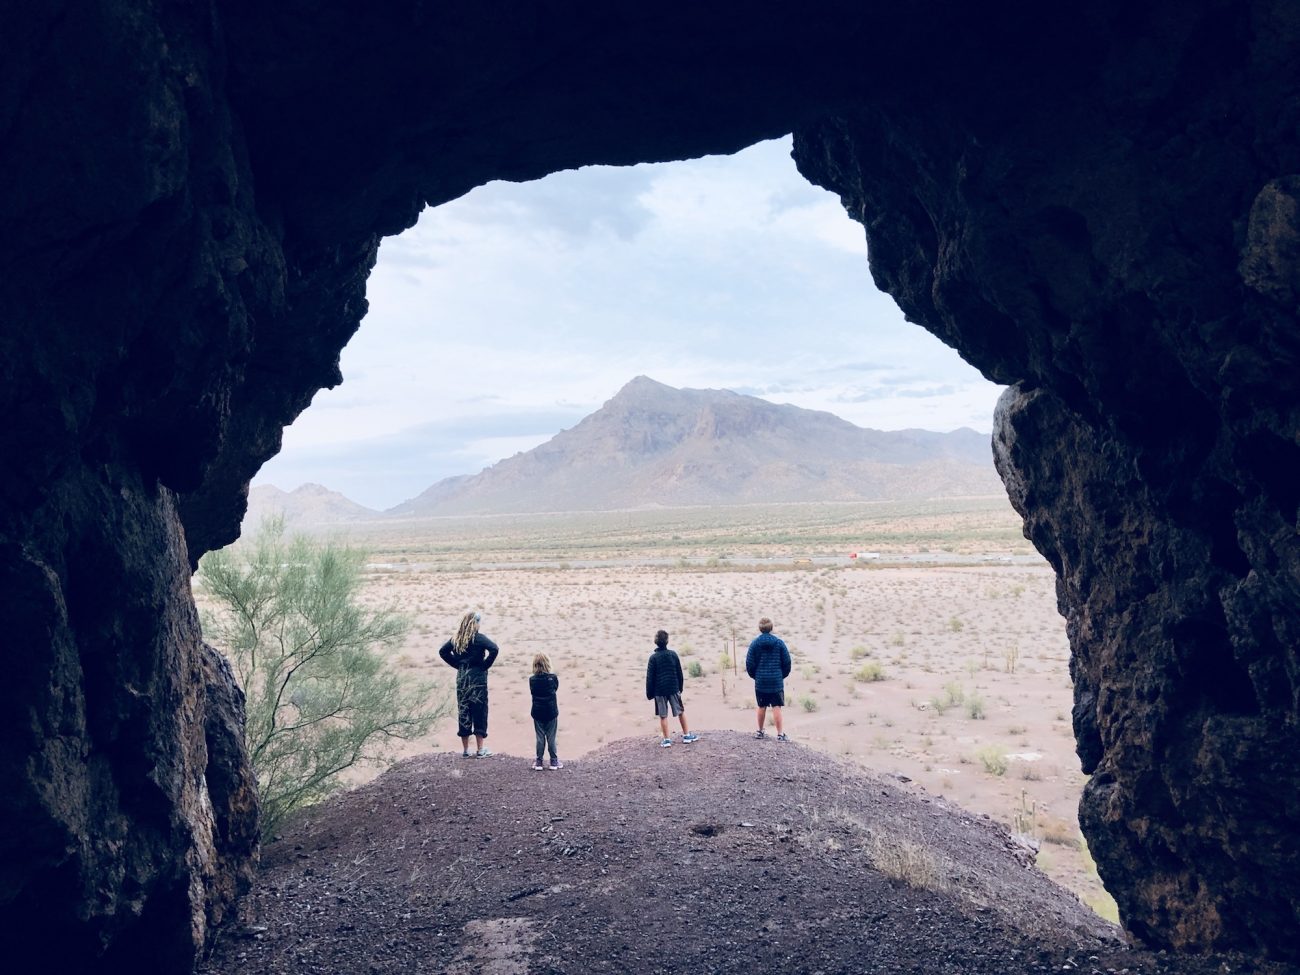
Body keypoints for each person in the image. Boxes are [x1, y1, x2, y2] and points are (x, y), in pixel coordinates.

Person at [438, 611, 499, 758]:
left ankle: (465, 750)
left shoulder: (457, 640)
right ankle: (480, 750)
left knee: (464, 710)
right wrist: (484, 666)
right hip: (478, 678)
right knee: (479, 710)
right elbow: (494, 649)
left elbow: (443, 652)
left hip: (462, 678)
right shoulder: (479, 638)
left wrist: (458, 665)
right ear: (475, 623)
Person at [645, 629, 697, 747]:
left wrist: (650, 693)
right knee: (680, 712)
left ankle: (667, 740)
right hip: (673, 688)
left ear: (656, 642)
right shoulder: (673, 654)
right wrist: (680, 688)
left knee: (663, 716)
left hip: (659, 691)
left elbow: (650, 677)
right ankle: (686, 735)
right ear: (667, 641)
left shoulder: (653, 658)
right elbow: (679, 673)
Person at [745, 617, 792, 741]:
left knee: (761, 706)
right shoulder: (779, 643)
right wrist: (781, 676)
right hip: (776, 681)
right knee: (776, 707)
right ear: (771, 628)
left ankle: (760, 731)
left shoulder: (754, 644)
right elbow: (787, 662)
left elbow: (749, 664)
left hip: (761, 681)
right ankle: (780, 735)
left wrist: (757, 676)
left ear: (760, 628)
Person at [529, 652, 562, 770]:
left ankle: (539, 761)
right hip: (551, 711)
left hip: (537, 712)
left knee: (540, 737)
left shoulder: (532, 680)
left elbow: (533, 692)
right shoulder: (552, 678)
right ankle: (554, 761)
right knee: (551, 737)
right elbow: (555, 688)